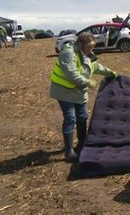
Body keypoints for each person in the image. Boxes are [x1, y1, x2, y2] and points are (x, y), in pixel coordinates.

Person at [49, 32, 117, 161]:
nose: (90, 50)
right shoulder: (68, 54)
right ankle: (69, 151)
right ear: (80, 44)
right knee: (70, 118)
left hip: (79, 91)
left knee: (82, 116)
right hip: (64, 90)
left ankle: (81, 143)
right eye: (89, 47)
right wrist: (89, 82)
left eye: (92, 47)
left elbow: (95, 66)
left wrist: (110, 73)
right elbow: (72, 74)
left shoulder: (86, 54)